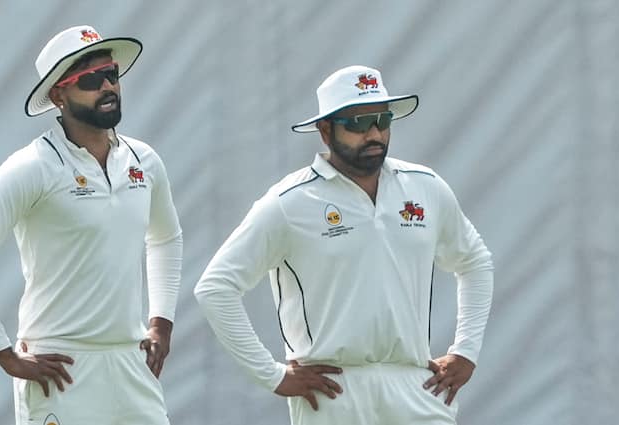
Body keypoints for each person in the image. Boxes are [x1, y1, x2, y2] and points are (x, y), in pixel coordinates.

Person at [194, 65, 493, 425]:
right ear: (325, 130)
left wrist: (466, 351)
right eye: (358, 123)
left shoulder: (425, 186)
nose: (374, 134)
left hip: (417, 387)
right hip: (333, 394)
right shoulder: (289, 201)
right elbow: (215, 287)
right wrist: (272, 375)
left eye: (382, 120)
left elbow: (474, 261)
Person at [0, 25, 182, 425]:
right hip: (60, 368)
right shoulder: (31, 167)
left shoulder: (145, 161)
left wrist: (161, 324)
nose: (107, 86)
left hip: (131, 362)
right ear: (58, 95)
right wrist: (4, 355)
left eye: (111, 74)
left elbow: (166, 238)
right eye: (90, 79)